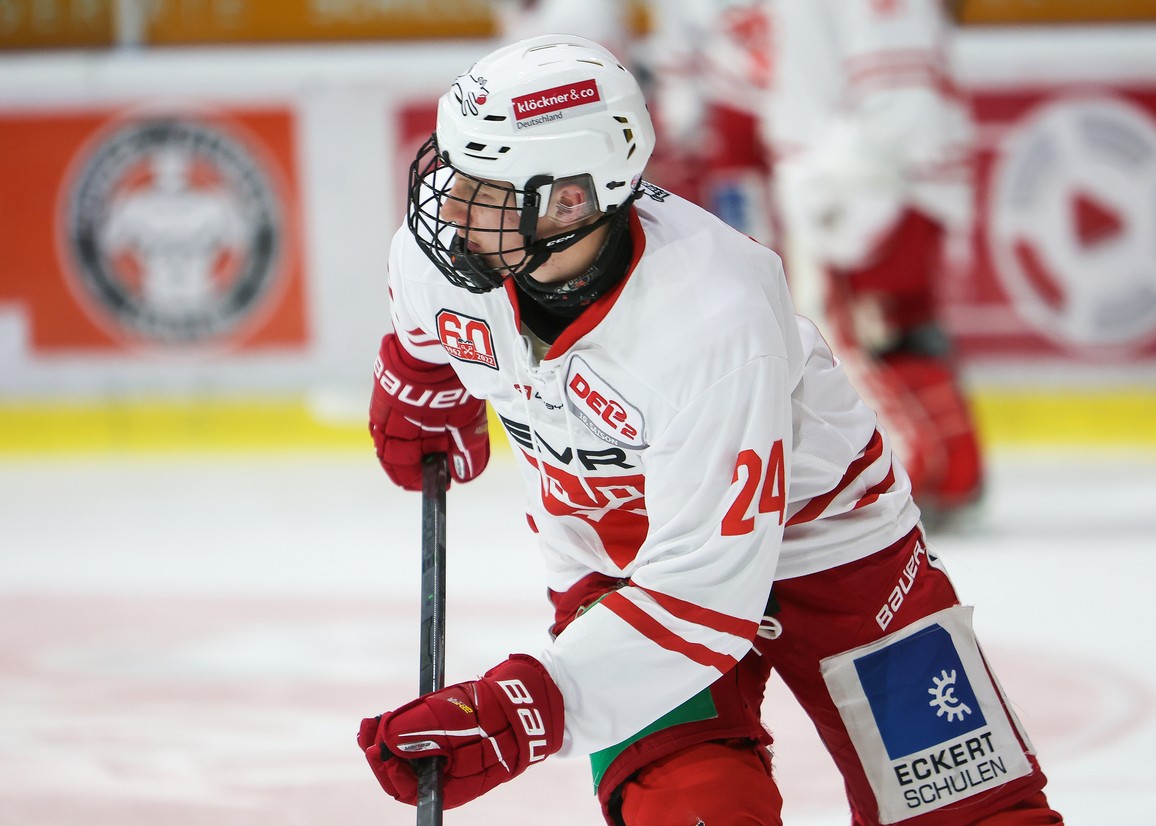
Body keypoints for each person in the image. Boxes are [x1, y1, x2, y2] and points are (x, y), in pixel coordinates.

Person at [358, 34, 1062, 825]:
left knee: (969, 814)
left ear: (572, 199)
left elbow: (703, 594)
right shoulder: (442, 261)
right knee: (693, 810)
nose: (448, 207)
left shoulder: (713, 316)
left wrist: (523, 708)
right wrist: (423, 382)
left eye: (484, 187)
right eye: (451, 171)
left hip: (835, 553)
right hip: (620, 565)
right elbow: (423, 326)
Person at [646, 0, 986, 524]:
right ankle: (951, 471)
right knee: (897, 326)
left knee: (863, 332)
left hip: (872, 179)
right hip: (880, 173)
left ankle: (922, 472)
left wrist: (838, 175)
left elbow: (896, 86)